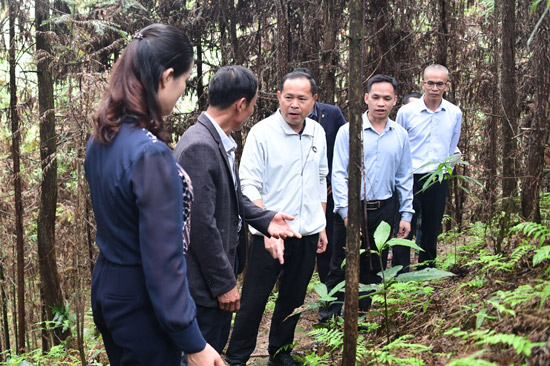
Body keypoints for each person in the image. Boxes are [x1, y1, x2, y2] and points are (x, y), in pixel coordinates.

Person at [84, 24, 223, 366]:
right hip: (141, 301)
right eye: (185, 82)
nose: (182, 92)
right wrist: (194, 343)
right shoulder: (149, 154)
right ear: (166, 76)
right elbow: (163, 260)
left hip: (108, 288)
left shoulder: (103, 136)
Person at [173, 65, 301, 361]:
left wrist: (266, 218)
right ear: (241, 104)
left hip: (210, 285)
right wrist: (225, 284)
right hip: (203, 289)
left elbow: (230, 197)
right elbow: (201, 226)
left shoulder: (215, 140)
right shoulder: (200, 146)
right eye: (254, 103)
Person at [225, 71, 329, 366]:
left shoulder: (317, 133)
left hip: (306, 232)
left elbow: (321, 180)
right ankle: (237, 358)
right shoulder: (262, 132)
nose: (294, 105)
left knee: (293, 298)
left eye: (302, 99)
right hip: (269, 236)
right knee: (254, 301)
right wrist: (267, 226)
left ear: (313, 101)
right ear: (279, 98)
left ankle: (280, 354)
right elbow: (248, 186)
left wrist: (319, 225)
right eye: (288, 97)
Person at [324, 74, 414, 318]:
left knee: (374, 264)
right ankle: (330, 318)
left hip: (385, 208)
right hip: (351, 209)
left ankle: (360, 316)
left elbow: (404, 177)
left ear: (395, 101)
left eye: (387, 98)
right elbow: (339, 174)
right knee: (340, 263)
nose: (380, 103)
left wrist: (406, 214)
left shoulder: (400, 135)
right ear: (366, 98)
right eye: (375, 97)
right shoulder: (348, 131)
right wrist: (345, 212)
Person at [396, 64, 462, 268]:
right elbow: (399, 144)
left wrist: (444, 171)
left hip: (437, 176)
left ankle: (428, 268)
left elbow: (452, 146)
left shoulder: (454, 112)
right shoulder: (407, 112)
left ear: (446, 86)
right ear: (423, 84)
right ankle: (400, 271)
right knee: (405, 223)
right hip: (410, 176)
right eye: (431, 83)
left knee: (432, 224)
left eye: (439, 84)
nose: (434, 88)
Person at [292, 68, 347, 284]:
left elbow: (344, 147)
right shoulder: (281, 120)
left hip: (329, 192)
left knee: (330, 244)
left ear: (313, 96)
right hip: (299, 194)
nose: (296, 102)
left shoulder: (332, 114)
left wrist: (333, 180)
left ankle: (331, 294)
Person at [390, 90, 423, 270]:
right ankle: (399, 267)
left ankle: (423, 265)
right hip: (402, 178)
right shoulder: (399, 124)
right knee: (401, 222)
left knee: (422, 224)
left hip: (427, 175)